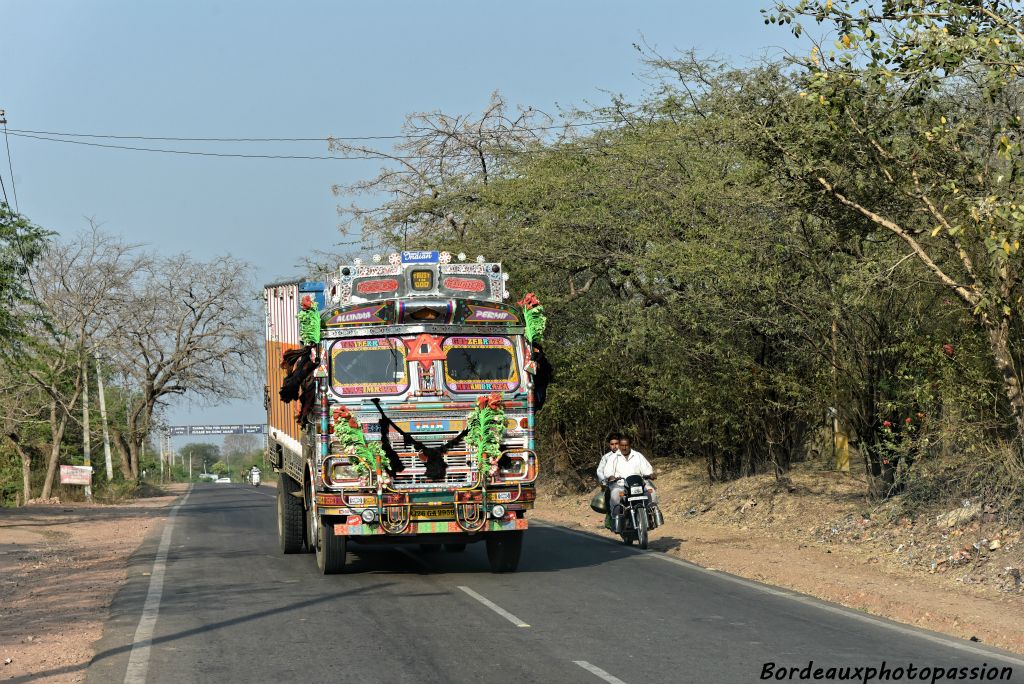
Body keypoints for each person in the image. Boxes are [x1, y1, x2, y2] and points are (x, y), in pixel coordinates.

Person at [599, 435, 657, 532]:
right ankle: (616, 520)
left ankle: (652, 515)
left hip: (638, 484)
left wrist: (650, 474)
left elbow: (647, 469)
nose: (624, 448)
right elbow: (608, 471)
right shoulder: (613, 457)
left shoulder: (638, 455)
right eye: (622, 445)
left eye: (626, 445)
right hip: (621, 485)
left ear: (630, 445)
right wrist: (611, 476)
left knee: (651, 491)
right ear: (620, 446)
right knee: (615, 495)